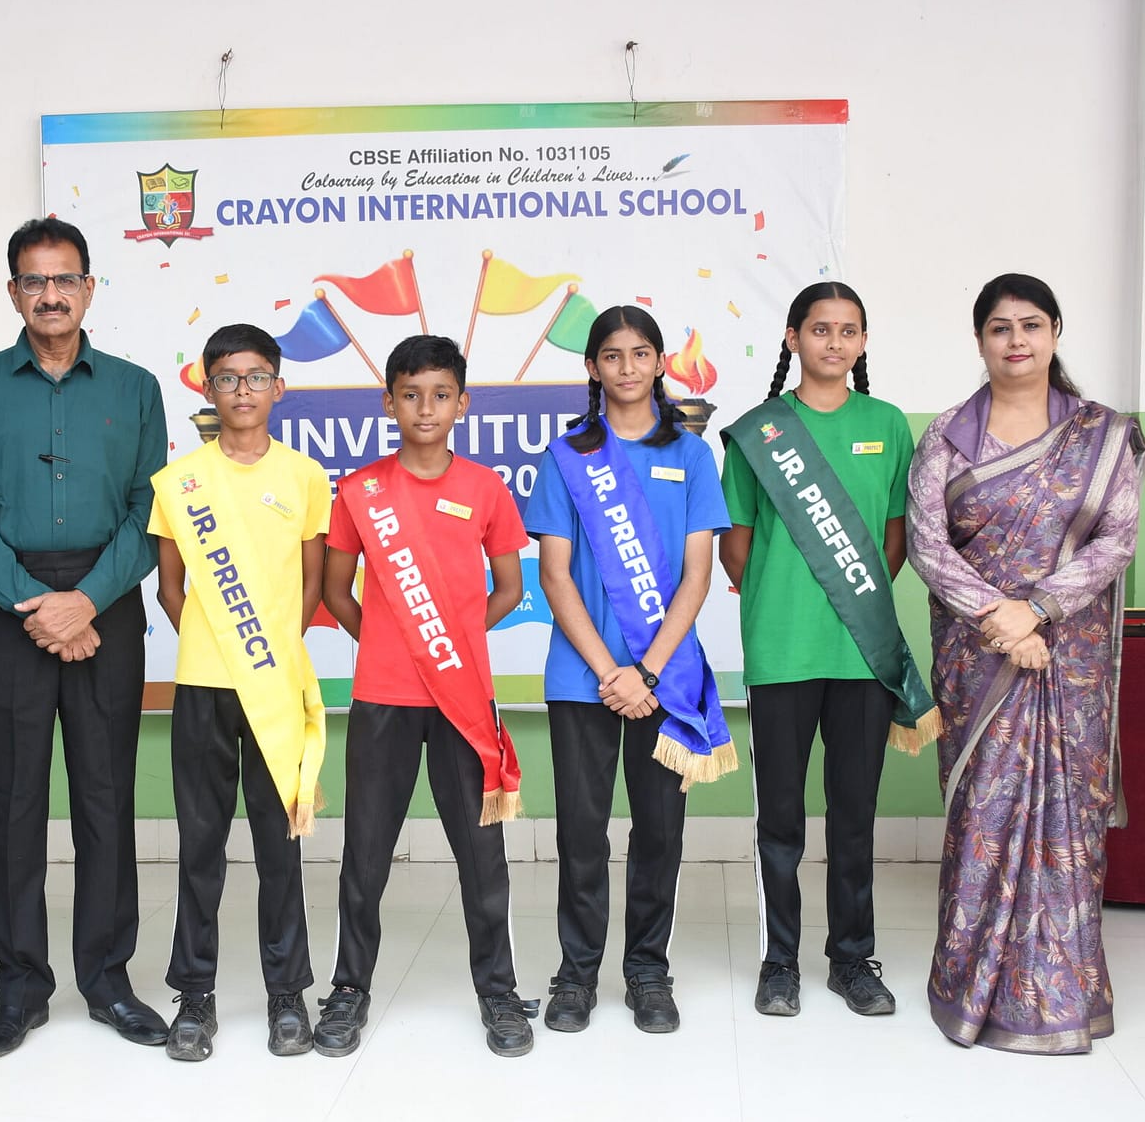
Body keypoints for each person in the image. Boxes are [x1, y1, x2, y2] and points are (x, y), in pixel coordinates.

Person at [0, 218, 169, 1059]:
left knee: (106, 799)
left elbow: (151, 507)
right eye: (33, 281)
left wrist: (89, 600)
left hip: (107, 603)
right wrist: (37, 604)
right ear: (13, 293)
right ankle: (21, 988)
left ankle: (108, 980)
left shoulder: (136, 388)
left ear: (89, 288)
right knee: (14, 802)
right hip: (10, 607)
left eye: (65, 279)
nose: (51, 294)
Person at [908, 272, 1145, 1055]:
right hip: (981, 656)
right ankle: (969, 986)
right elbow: (928, 546)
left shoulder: (1103, 436)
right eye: (1000, 327)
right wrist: (999, 618)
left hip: (1069, 655)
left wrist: (1038, 608)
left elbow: (1116, 539)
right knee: (986, 810)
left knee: (1067, 814)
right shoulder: (947, 438)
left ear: (1054, 333)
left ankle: (1064, 990)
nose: (1017, 340)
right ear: (980, 341)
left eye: (1031, 325)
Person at [719, 282, 938, 1022]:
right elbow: (738, 546)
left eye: (848, 331)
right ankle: (778, 962)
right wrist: (787, 598)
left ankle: (852, 959)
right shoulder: (757, 433)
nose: (834, 342)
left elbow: (896, 537)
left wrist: (854, 601)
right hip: (780, 651)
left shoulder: (888, 424)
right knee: (779, 819)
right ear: (793, 338)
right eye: (820, 329)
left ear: (864, 342)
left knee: (854, 815)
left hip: (861, 653)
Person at [316, 334, 537, 1058]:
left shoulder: (485, 488)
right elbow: (335, 591)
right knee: (365, 853)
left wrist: (452, 643)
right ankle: (349, 990)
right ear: (389, 402)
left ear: (462, 403)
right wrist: (393, 641)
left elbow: (510, 588)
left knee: (482, 855)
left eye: (440, 395)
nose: (425, 408)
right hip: (383, 697)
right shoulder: (360, 491)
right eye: (410, 395)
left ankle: (499, 993)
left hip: (462, 698)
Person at [525, 305, 734, 1035]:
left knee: (659, 831)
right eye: (611, 355)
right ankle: (576, 974)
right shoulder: (566, 457)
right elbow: (555, 576)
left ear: (659, 362)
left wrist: (644, 671)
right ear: (592, 367)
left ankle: (648, 970)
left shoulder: (692, 455)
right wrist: (611, 670)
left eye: (640, 353)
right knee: (581, 833)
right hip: (582, 678)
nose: (627, 367)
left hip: (665, 678)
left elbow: (698, 577)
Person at [147, 323, 330, 1062]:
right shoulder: (179, 482)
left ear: (278, 387)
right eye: (227, 378)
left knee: (279, 845)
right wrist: (215, 645)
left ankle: (288, 994)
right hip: (202, 686)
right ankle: (195, 995)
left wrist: (270, 655)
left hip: (274, 686)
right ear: (208, 388)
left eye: (256, 377)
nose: (242, 390)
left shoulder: (306, 477)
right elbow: (170, 588)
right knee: (200, 845)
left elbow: (314, 582)